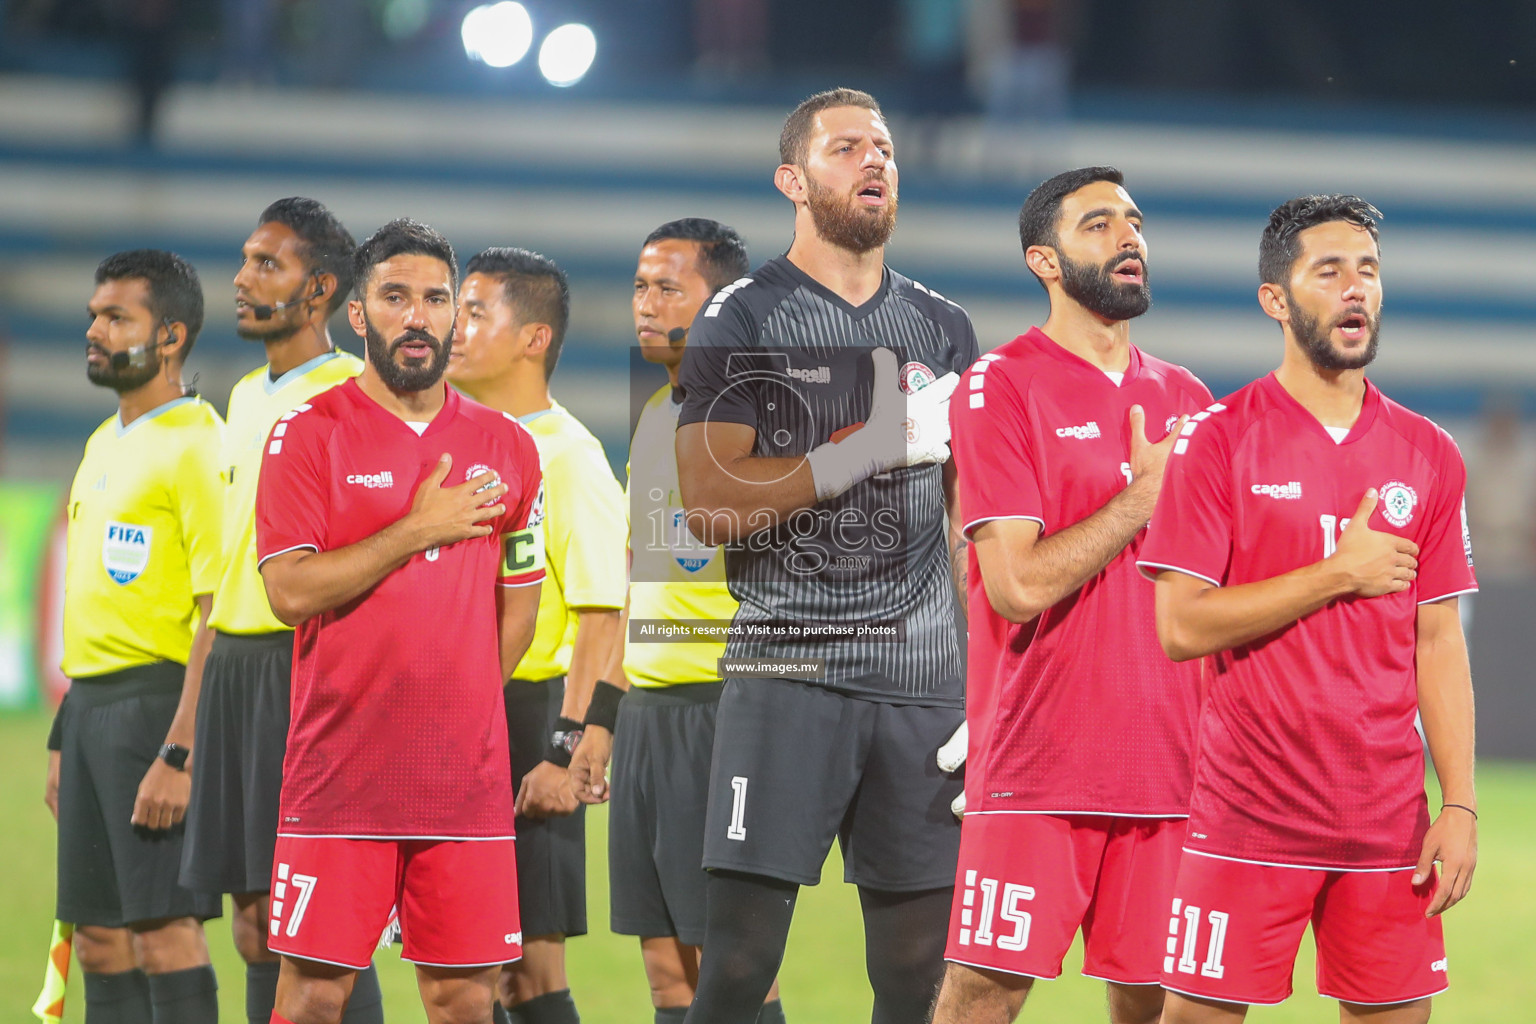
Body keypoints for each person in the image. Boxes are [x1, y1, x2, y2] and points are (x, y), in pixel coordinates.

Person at [673, 88, 975, 1024]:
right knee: (734, 967)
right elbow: (711, 505)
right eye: (846, 148)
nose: (875, 160)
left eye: (883, 146)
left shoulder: (945, 328)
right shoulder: (743, 317)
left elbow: (972, 535)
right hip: (787, 677)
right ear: (793, 181)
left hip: (923, 691)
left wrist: (990, 690)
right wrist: (865, 446)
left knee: (922, 978)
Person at [1138, 195, 1478, 1023]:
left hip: (1387, 822)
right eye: (1328, 272)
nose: (1355, 289)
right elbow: (1182, 627)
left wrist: (1460, 804)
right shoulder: (1216, 441)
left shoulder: (1429, 453)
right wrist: (1336, 573)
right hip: (1247, 816)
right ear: (1276, 299)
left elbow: (1437, 644)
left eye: (1367, 271)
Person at [929, 166, 1212, 1024]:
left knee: (1162, 1004)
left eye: (1133, 222)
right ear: (1043, 261)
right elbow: (1014, 586)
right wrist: (1141, 500)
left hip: (1173, 769)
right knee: (982, 996)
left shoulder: (1189, 399)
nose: (1128, 238)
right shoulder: (1000, 385)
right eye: (1098, 225)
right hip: (1042, 763)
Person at [254, 219, 546, 1024]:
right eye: (394, 297)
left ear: (454, 315)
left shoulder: (511, 449)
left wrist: (466, 700)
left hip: (464, 781)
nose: (417, 316)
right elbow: (291, 592)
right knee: (314, 995)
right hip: (339, 772)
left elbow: (522, 596)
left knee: (462, 998)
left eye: (435, 299)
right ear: (358, 314)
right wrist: (416, 529)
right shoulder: (306, 436)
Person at [567, 218, 789, 1024]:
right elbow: (641, 586)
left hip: (724, 708)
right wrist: (603, 717)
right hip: (653, 714)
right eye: (638, 286)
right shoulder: (658, 414)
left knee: (734, 969)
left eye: (668, 287)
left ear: (721, 301)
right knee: (666, 973)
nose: (644, 305)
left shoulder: (760, 409)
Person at [178, 197, 376, 1024]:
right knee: (255, 923)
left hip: (310, 670)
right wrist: (189, 716)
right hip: (236, 666)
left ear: (320, 288)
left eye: (269, 265)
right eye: (246, 261)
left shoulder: (353, 397)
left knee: (317, 922)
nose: (242, 279)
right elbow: (226, 571)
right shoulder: (244, 394)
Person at [445, 246, 627, 1024]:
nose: (453, 327)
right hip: (458, 711)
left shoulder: (571, 457)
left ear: (533, 338)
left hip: (528, 714)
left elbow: (603, 612)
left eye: (477, 311)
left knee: (525, 967)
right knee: (459, 957)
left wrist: (563, 746)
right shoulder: (456, 442)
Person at [54, 249, 222, 1022]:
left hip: (157, 710)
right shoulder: (102, 442)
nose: (96, 328)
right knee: (98, 940)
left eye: (117, 317)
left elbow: (216, 610)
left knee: (164, 933)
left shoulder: (198, 444)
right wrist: (65, 731)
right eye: (95, 314)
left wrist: (180, 752)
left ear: (170, 337)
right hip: (91, 709)